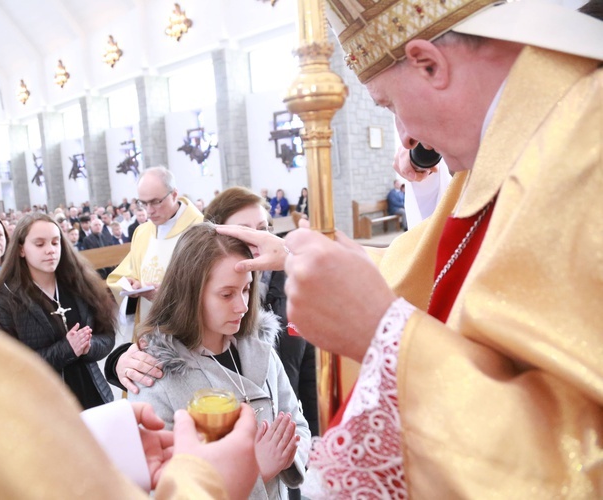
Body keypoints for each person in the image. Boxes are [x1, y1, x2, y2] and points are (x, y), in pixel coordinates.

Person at [0, 2, 258, 497]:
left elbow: (103, 338)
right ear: (19, 251)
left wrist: (98, 435)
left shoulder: (194, 238)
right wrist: (204, 479)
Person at [218, 0, 603, 497]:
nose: (407, 138)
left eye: (389, 105)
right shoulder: (522, 138)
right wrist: (297, 257)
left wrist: (383, 333)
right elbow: (442, 275)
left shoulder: (585, 146)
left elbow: (575, 460)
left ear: (430, 63)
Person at [106, 188, 320, 441]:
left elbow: (298, 409)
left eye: (264, 229)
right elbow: (167, 468)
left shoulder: (269, 321)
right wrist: (117, 360)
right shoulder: (157, 372)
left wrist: (303, 448)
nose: (259, 241)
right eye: (246, 231)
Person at [128, 223, 310, 499]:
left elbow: (298, 424)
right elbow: (160, 487)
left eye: (247, 289)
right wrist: (254, 470)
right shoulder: (154, 372)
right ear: (190, 294)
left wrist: (287, 456)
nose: (243, 306)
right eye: (226, 294)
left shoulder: (260, 346)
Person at [0, 213, 117, 409]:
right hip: (45, 406)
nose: (50, 251)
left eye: (55, 243)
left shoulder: (79, 283)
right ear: (21, 249)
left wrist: (89, 346)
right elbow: (12, 365)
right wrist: (67, 349)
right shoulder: (6, 297)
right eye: (40, 244)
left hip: (93, 394)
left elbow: (107, 336)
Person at [106, 166, 202, 326]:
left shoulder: (200, 230)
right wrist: (131, 285)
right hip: (148, 324)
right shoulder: (142, 232)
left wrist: (166, 296)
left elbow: (209, 286)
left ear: (174, 194)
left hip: (185, 325)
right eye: (143, 203)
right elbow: (124, 276)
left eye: (156, 202)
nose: (149, 211)